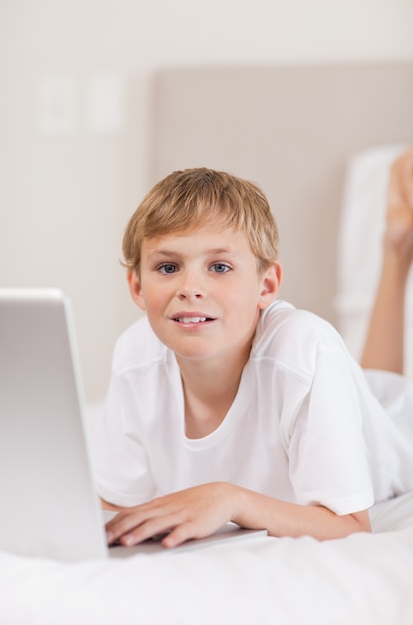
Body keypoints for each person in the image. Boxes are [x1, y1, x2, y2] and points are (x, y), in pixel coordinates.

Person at [93, 151, 413, 549]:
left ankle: (397, 244)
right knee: (369, 380)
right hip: (347, 387)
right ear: (138, 287)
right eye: (168, 267)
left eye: (220, 267)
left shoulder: (306, 349)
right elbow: (114, 507)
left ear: (266, 286)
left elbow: (350, 526)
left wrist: (231, 499)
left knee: (385, 393)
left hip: (398, 426)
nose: (190, 287)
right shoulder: (133, 356)